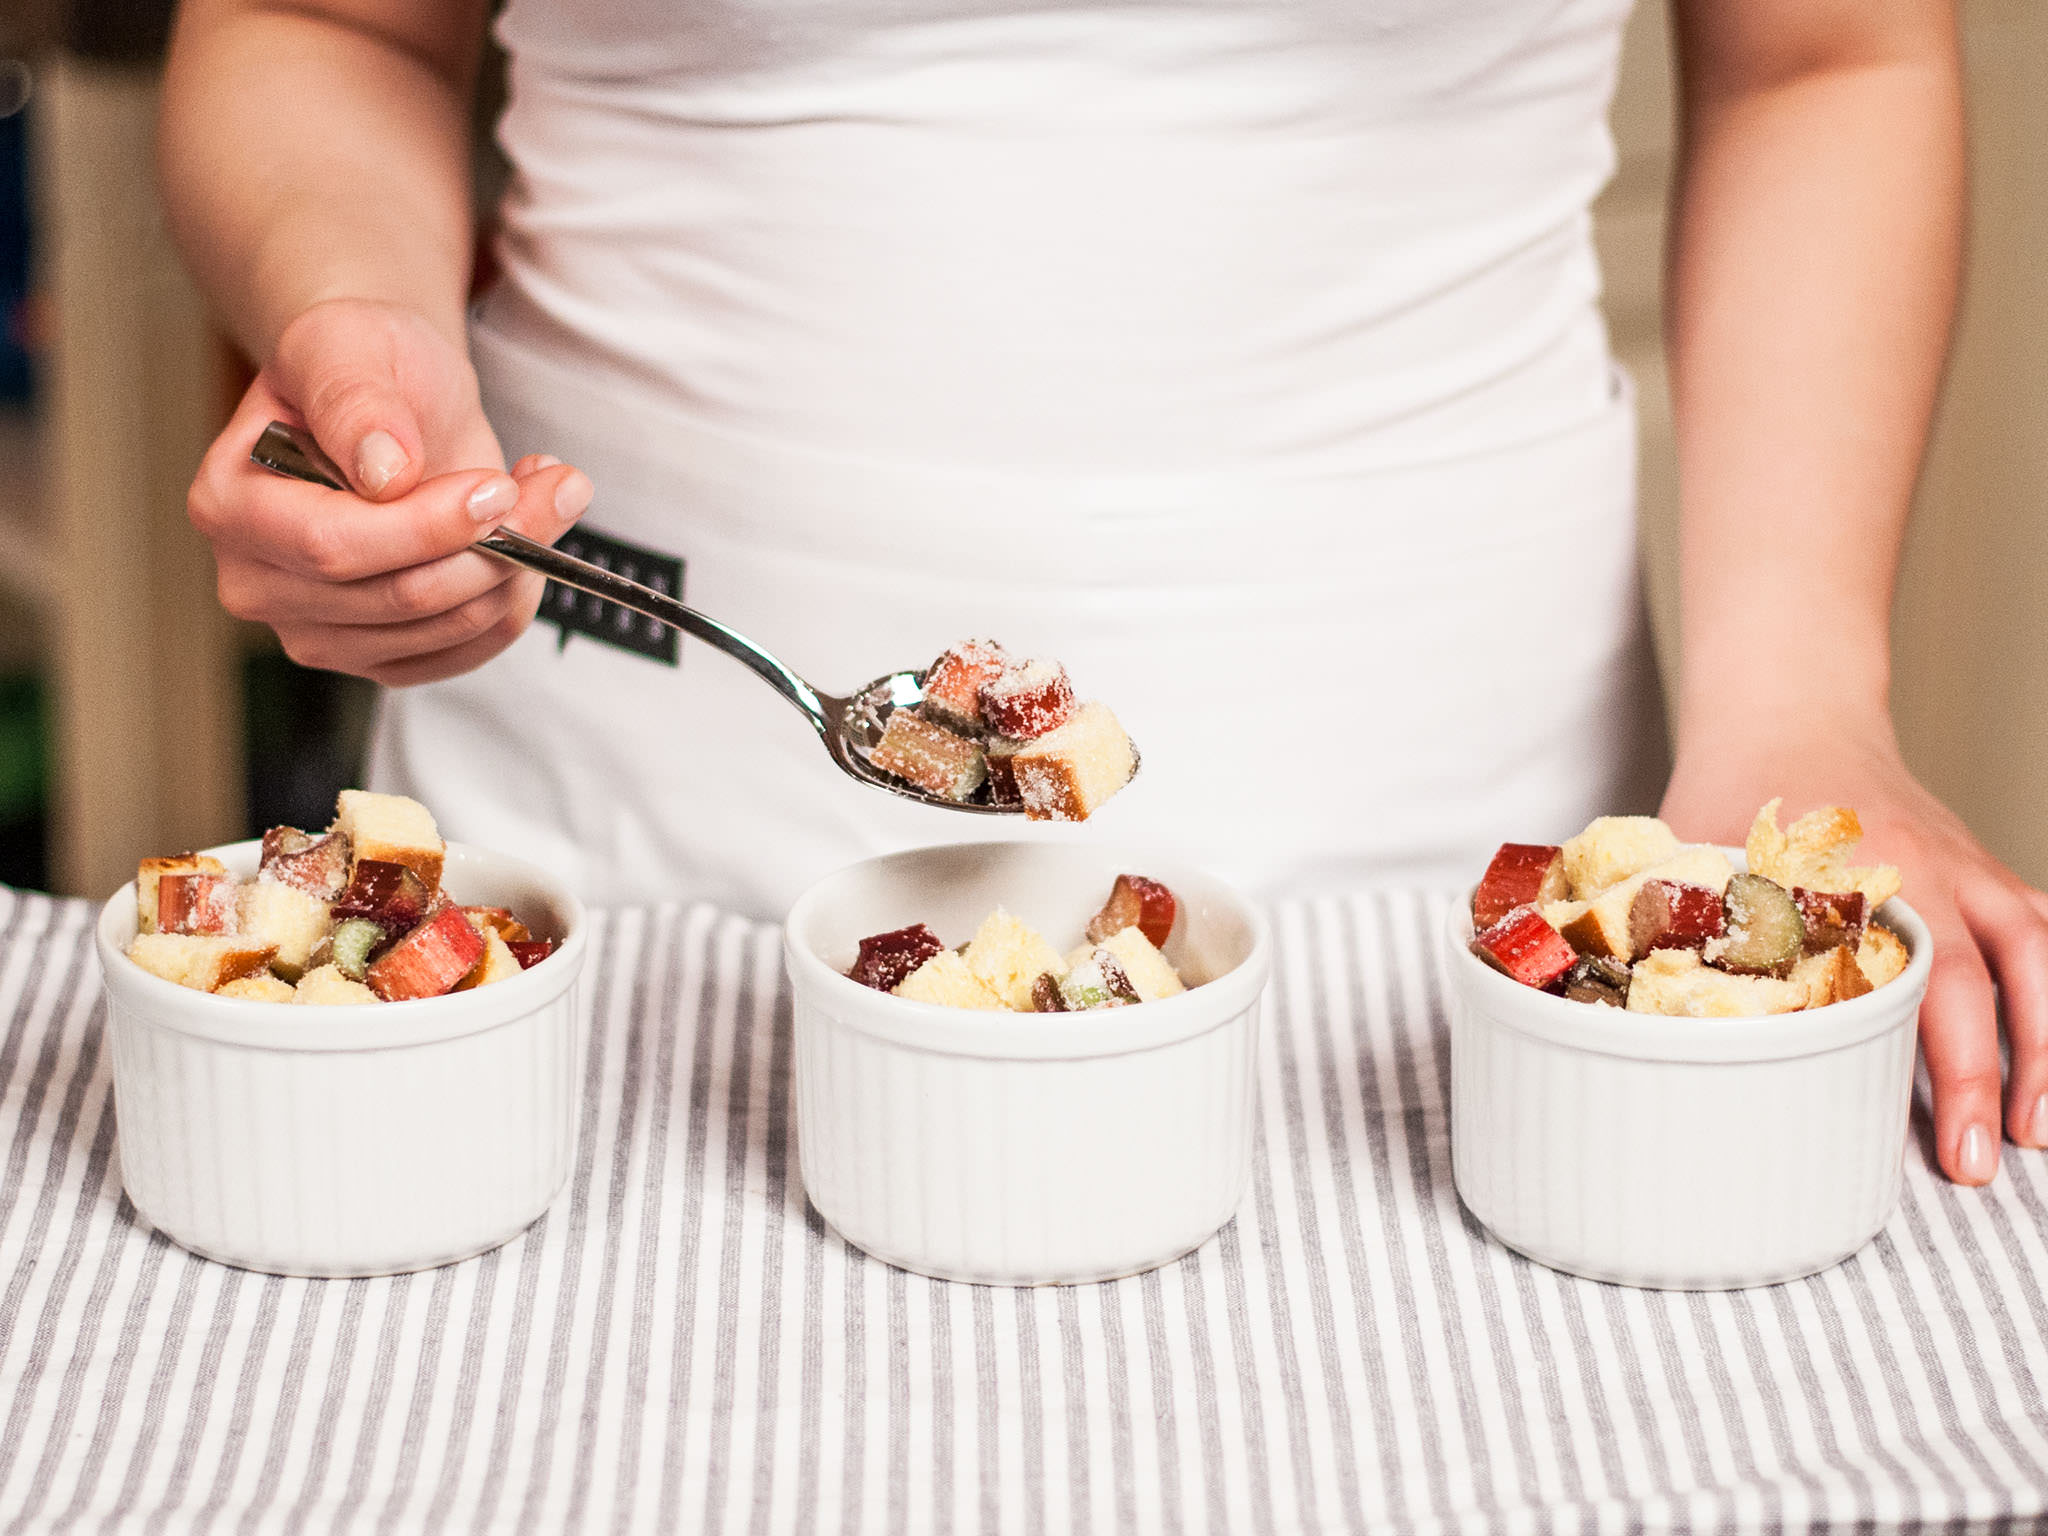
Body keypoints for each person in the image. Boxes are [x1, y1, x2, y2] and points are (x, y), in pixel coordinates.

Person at [156, 0, 2043, 1187]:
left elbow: (1829, 50)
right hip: (613, 879)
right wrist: (353, 321)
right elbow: (323, 24)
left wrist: (1803, 688)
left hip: (1474, 904)